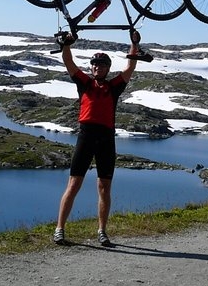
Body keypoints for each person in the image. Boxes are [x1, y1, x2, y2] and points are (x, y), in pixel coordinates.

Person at [52, 31, 141, 247]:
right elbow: (69, 62)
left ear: (107, 68)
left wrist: (134, 44)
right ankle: (59, 230)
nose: (97, 68)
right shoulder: (84, 83)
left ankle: (102, 231)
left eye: (101, 65)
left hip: (106, 139)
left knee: (104, 187)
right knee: (73, 184)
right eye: (94, 65)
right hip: (86, 136)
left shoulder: (114, 86)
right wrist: (66, 45)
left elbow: (130, 68)